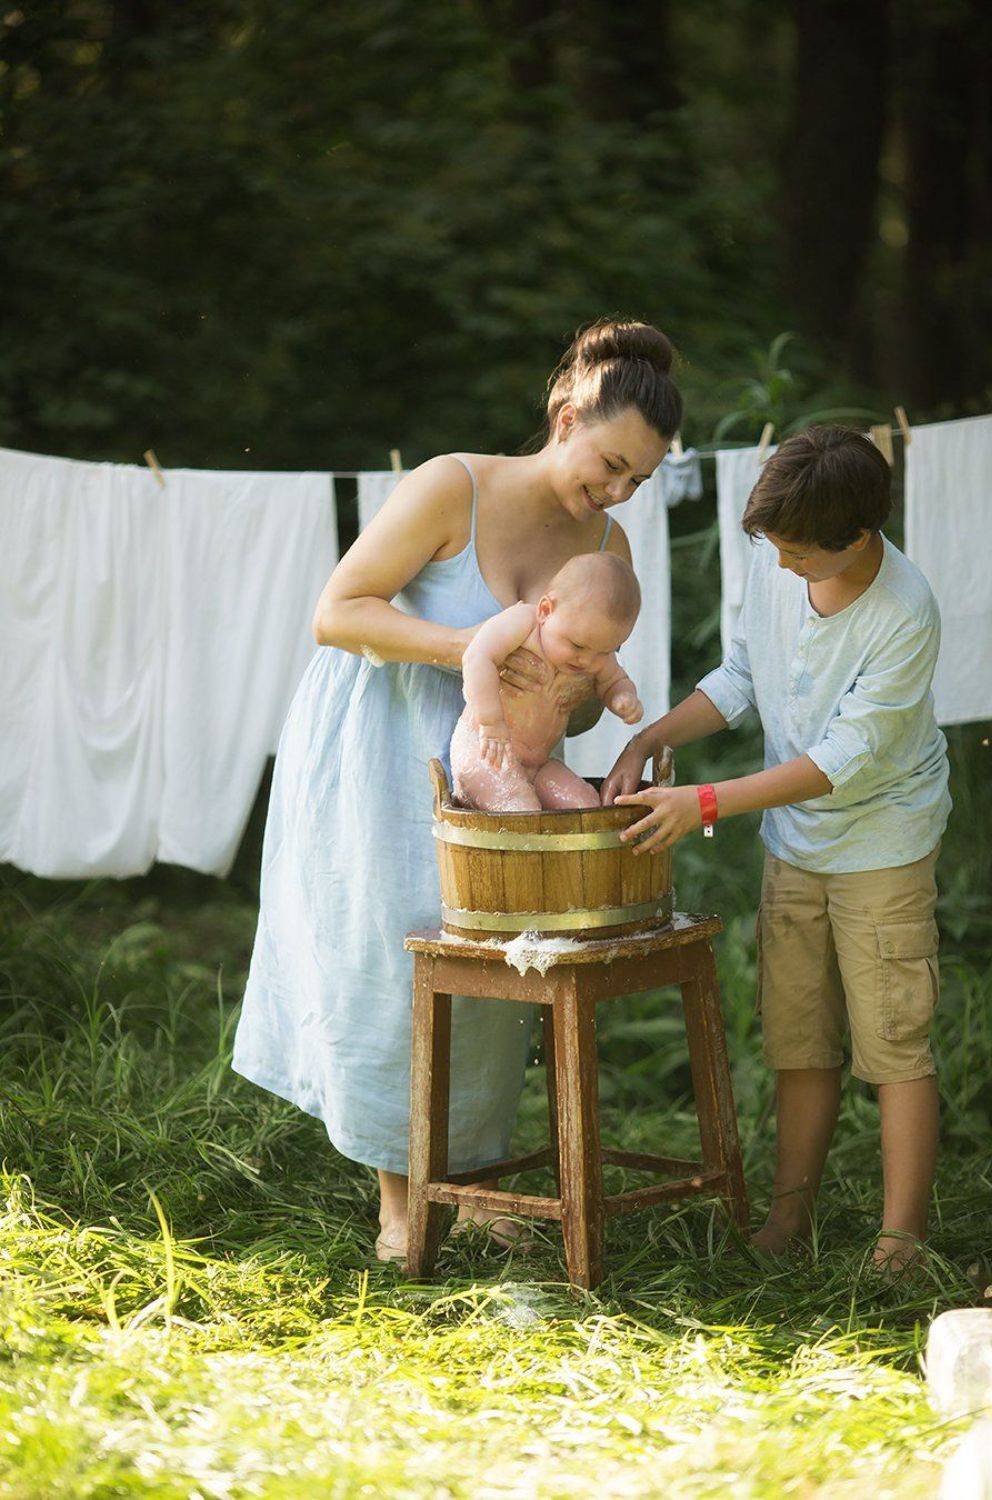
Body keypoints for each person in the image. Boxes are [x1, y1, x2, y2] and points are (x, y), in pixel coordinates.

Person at [232, 318, 679, 1261]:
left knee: (494, 968)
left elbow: (584, 707)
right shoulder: (452, 486)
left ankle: (469, 1181)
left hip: (503, 783)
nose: (618, 490)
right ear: (564, 417)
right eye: (609, 464)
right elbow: (336, 611)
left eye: (638, 478)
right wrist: (475, 652)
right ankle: (402, 1202)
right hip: (384, 748)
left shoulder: (608, 548)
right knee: (395, 965)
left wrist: (573, 694)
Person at [602, 425, 951, 1273]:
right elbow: (742, 676)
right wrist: (651, 737)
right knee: (799, 1036)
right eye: (777, 549)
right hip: (794, 842)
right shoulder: (777, 555)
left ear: (858, 537)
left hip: (884, 843)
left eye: (799, 554)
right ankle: (788, 1221)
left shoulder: (904, 614)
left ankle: (900, 1242)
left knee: (894, 1042)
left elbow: (838, 763)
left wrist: (707, 802)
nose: (784, 566)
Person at [452, 552, 642, 813]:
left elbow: (615, 680)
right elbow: (477, 657)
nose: (587, 660)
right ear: (545, 610)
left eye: (604, 651)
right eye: (576, 645)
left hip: (539, 763)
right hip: (486, 751)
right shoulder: (523, 624)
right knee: (520, 810)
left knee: (585, 806)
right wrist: (490, 722)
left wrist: (623, 697)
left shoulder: (593, 650)